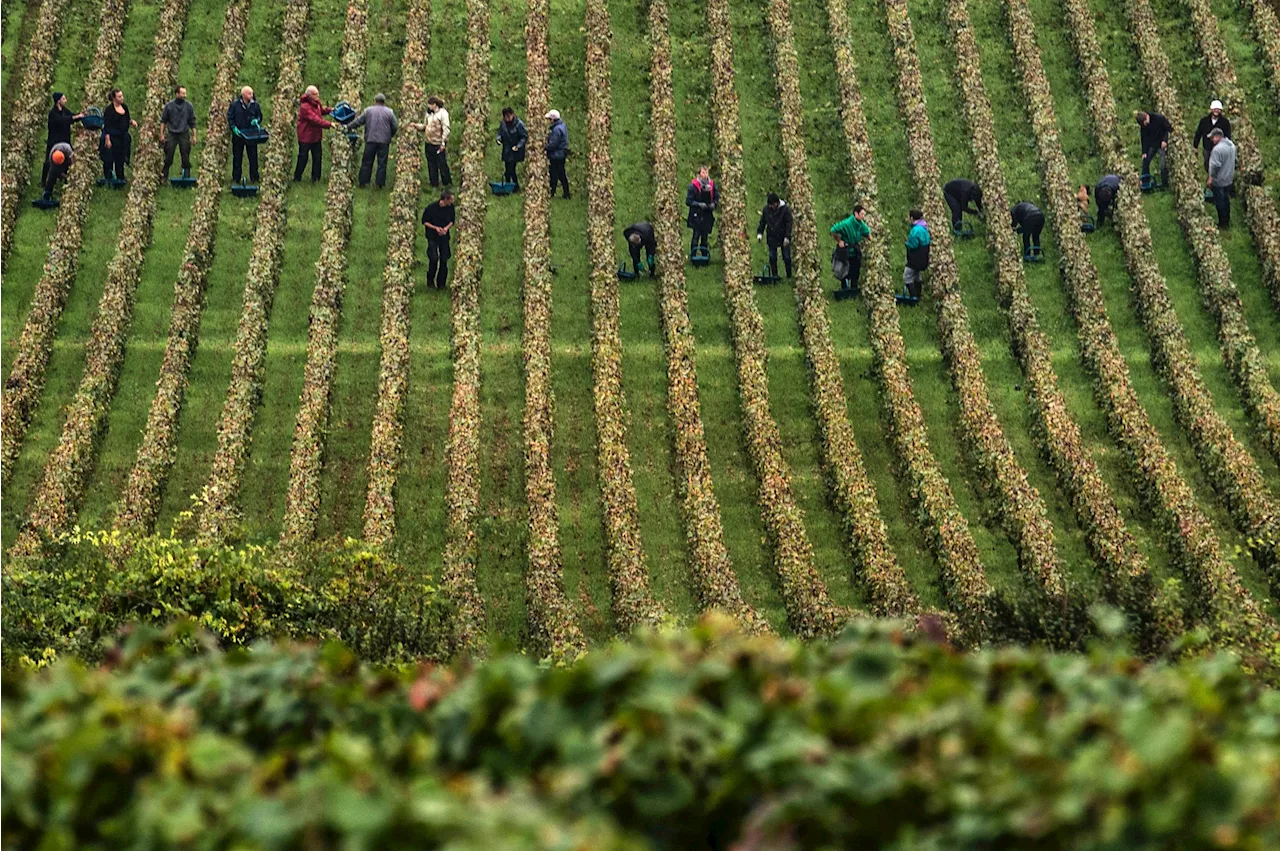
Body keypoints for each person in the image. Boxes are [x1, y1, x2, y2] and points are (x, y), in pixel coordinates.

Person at [352, 93, 397, 188]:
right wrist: (390, 135)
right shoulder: (390, 112)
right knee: (382, 163)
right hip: (384, 141)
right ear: (384, 102)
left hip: (370, 139)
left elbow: (358, 121)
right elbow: (395, 126)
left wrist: (348, 126)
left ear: (375, 101)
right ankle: (379, 184)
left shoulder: (368, 111)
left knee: (367, 161)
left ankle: (363, 182)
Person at [44, 92, 83, 185]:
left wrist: (81, 116)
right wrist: (75, 117)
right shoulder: (53, 113)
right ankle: (44, 181)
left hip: (65, 140)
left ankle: (65, 179)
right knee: (49, 161)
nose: (65, 101)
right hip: (54, 140)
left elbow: (72, 116)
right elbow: (63, 120)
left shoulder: (64, 110)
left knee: (66, 160)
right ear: (58, 101)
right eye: (64, 99)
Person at [295, 85, 332, 182]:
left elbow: (321, 111)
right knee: (303, 157)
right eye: (315, 94)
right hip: (306, 137)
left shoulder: (316, 103)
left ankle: (315, 179)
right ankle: (297, 177)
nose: (318, 96)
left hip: (316, 136)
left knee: (317, 157)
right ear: (309, 95)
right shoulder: (305, 107)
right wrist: (329, 124)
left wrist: (330, 110)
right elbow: (315, 119)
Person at [99, 87, 136, 183]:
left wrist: (131, 122)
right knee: (110, 158)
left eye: (122, 96)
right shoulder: (109, 110)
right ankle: (109, 177)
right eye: (119, 96)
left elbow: (126, 120)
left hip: (122, 136)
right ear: (114, 98)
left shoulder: (124, 107)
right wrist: (107, 139)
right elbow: (106, 126)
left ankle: (120, 178)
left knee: (120, 157)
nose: (122, 98)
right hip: (112, 136)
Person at [227, 86, 263, 184]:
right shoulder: (235, 105)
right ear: (243, 95)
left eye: (252, 93)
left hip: (251, 135)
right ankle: (236, 177)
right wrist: (233, 128)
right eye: (249, 94)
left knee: (253, 158)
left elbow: (260, 116)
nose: (251, 95)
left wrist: (257, 120)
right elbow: (230, 117)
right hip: (239, 135)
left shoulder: (255, 105)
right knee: (237, 157)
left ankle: (254, 177)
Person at [160, 85, 197, 179]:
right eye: (183, 93)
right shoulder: (169, 106)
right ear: (177, 94)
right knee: (168, 156)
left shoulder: (189, 106)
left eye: (185, 93)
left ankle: (187, 176)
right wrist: (162, 134)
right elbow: (163, 121)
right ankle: (164, 176)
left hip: (184, 133)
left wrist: (194, 135)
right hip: (172, 133)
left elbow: (192, 121)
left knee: (185, 155)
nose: (185, 95)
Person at [830, 205, 870, 292]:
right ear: (856, 214)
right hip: (846, 250)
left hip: (855, 251)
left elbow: (867, 233)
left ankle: (853, 290)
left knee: (855, 271)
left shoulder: (860, 224)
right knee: (843, 270)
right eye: (862, 214)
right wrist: (839, 241)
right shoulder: (846, 223)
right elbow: (833, 230)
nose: (863, 217)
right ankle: (844, 289)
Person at [422, 191, 456, 289]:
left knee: (444, 259)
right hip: (433, 236)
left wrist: (446, 228)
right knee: (434, 258)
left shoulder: (450, 208)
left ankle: (441, 283)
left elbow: (452, 221)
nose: (452, 202)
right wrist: (436, 228)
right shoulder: (431, 208)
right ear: (445, 199)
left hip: (444, 236)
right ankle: (430, 280)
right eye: (451, 200)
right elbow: (425, 222)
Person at [755, 193, 794, 278]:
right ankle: (774, 275)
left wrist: (787, 237)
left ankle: (789, 275)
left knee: (786, 257)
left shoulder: (785, 209)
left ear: (777, 203)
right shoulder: (766, 210)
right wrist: (760, 233)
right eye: (770, 205)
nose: (771, 207)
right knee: (772, 257)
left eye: (772, 205)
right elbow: (762, 222)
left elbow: (789, 223)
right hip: (772, 236)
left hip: (783, 235)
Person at [1207, 127, 1236, 229]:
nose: (1212, 140)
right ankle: (1227, 220)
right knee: (1226, 199)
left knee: (1219, 201)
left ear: (1218, 137)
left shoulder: (1217, 150)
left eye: (1212, 138)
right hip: (1229, 178)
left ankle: (1222, 223)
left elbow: (1215, 166)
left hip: (1219, 180)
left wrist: (1210, 178)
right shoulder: (1232, 145)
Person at [686, 166, 717, 256]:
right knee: (696, 235)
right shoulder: (693, 186)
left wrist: (714, 204)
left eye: (706, 172)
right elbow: (689, 201)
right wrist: (699, 204)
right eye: (703, 173)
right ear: (699, 174)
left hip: (707, 214)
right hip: (697, 215)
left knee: (705, 237)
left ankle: (704, 255)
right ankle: (693, 255)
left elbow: (716, 197)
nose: (705, 175)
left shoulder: (712, 185)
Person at [1135, 110, 1172, 186]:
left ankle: (1164, 184)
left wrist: (1165, 140)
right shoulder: (1143, 125)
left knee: (1163, 165)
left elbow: (1168, 129)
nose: (1145, 125)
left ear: (1146, 117)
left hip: (1161, 144)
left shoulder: (1159, 118)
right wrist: (1144, 152)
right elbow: (1144, 138)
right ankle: (1145, 182)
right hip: (1152, 144)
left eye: (1144, 123)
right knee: (1145, 161)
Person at [1192, 99, 1231, 172]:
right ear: (1211, 109)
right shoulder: (1204, 121)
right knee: (1207, 164)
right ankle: (1210, 177)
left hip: (1220, 148)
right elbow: (1198, 133)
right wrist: (1195, 146)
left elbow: (1228, 136)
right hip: (1207, 147)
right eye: (1215, 109)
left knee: (1219, 165)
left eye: (1218, 109)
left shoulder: (1225, 122)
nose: (1216, 111)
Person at [420, 96, 451, 187]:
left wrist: (443, 143)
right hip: (429, 142)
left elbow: (446, 129)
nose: (429, 107)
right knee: (431, 163)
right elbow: (425, 126)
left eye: (430, 105)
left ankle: (446, 182)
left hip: (438, 143)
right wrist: (416, 126)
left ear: (434, 105)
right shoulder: (429, 114)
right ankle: (434, 183)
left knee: (442, 163)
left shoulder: (443, 114)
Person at [496, 106, 527, 190]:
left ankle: (514, 187)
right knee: (507, 170)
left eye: (508, 116)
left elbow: (524, 136)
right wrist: (499, 139)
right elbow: (500, 133)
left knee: (511, 170)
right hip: (507, 150)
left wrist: (518, 146)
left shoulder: (519, 124)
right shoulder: (503, 124)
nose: (507, 118)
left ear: (513, 115)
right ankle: (509, 185)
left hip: (515, 150)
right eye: (505, 116)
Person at [904, 210, 930, 299]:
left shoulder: (915, 231)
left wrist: (907, 243)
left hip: (915, 258)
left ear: (911, 218)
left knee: (907, 276)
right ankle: (919, 295)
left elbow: (913, 245)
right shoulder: (924, 228)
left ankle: (914, 297)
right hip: (924, 257)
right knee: (916, 276)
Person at [545, 109, 569, 198]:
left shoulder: (556, 130)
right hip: (561, 154)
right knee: (561, 174)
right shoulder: (562, 126)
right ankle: (566, 193)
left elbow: (553, 144)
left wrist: (544, 147)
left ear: (552, 120)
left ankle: (552, 193)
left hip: (556, 155)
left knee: (554, 174)